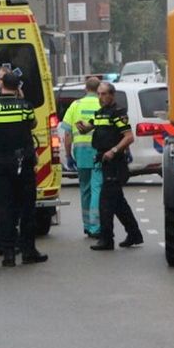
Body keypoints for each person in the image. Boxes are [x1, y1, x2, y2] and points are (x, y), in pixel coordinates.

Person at [0, 71, 48, 267]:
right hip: (22, 162)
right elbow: (32, 124)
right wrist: (22, 98)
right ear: (18, 87)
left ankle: (8, 253)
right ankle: (28, 251)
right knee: (27, 207)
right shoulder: (25, 107)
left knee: (3, 208)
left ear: (1, 86)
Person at [79, 81, 143, 251]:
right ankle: (134, 234)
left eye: (104, 94)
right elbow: (90, 127)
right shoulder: (100, 113)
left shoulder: (118, 113)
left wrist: (113, 150)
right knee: (118, 203)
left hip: (115, 163)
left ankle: (107, 239)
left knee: (105, 202)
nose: (100, 97)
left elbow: (129, 137)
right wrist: (82, 128)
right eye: (99, 94)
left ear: (111, 95)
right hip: (103, 161)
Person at [61, 76, 103, 238]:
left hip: (81, 152)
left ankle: (86, 224)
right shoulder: (101, 104)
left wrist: (68, 154)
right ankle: (95, 226)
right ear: (98, 89)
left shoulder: (75, 105)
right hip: (98, 151)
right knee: (97, 188)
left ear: (85, 89)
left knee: (85, 189)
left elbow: (67, 134)